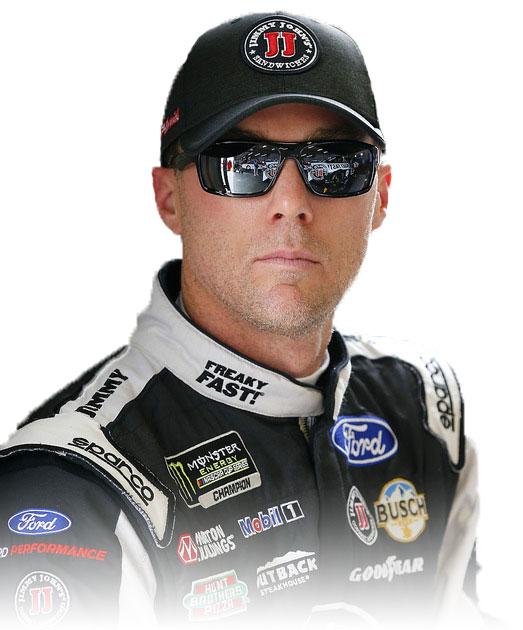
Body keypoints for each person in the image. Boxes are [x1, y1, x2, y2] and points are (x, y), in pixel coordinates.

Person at [0, 11, 480, 629]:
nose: (292, 203)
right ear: (169, 198)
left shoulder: (423, 406)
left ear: (381, 195)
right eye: (240, 163)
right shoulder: (70, 485)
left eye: (334, 164)